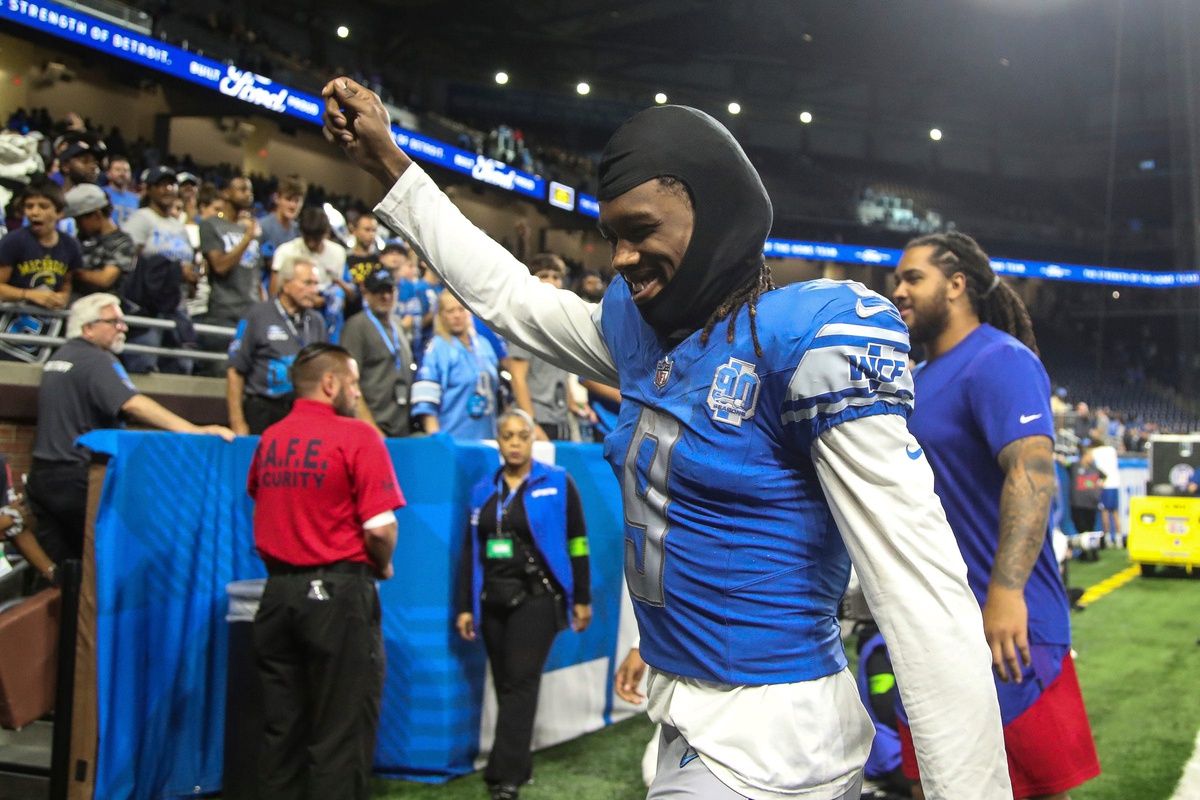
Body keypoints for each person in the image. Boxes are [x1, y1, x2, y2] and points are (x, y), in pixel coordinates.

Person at [325, 77, 1009, 799]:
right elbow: (513, 299)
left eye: (641, 230)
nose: (620, 257)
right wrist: (393, 169)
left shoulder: (805, 339)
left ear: (715, 217)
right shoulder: (643, 335)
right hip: (694, 711)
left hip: (772, 729)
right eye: (612, 235)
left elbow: (922, 590)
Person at [891, 231, 1100, 800]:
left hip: (1006, 624)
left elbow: (1032, 474)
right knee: (930, 789)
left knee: (1027, 789)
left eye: (914, 278)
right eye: (897, 279)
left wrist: (1007, 593)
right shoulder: (913, 380)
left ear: (957, 285)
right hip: (932, 632)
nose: (899, 290)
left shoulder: (999, 359)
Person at [247, 342, 403, 799]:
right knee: (341, 733)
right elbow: (379, 528)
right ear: (331, 384)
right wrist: (385, 564)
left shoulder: (271, 437)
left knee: (281, 733)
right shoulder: (357, 436)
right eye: (353, 383)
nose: (357, 393)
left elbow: (261, 497)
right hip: (337, 595)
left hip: (276, 596)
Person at [26, 293, 233, 563]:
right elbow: (132, 404)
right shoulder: (97, 360)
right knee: (107, 561)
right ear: (88, 328)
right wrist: (192, 429)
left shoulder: (59, 356)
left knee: (65, 572)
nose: (122, 328)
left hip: (42, 477)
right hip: (76, 478)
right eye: (113, 321)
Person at [454, 409, 592, 800]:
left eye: (522, 436)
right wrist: (466, 606)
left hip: (538, 598)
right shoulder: (483, 489)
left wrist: (581, 597)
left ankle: (505, 776)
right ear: (497, 441)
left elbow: (578, 542)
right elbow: (471, 551)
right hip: (493, 598)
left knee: (519, 682)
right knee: (506, 684)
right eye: (507, 436)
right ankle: (520, 764)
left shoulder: (559, 483)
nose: (514, 443)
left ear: (534, 440)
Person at [227, 257, 326, 435]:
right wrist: (237, 422)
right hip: (264, 410)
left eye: (316, 284)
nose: (314, 290)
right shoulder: (257, 315)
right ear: (286, 285)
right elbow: (235, 371)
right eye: (307, 283)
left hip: (302, 413)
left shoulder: (317, 321)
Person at [508, 254, 594, 441]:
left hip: (560, 420)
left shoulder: (559, 324)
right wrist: (531, 423)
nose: (551, 281)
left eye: (556, 276)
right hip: (536, 419)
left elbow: (560, 374)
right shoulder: (525, 321)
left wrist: (575, 405)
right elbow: (517, 377)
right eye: (544, 275)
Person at [122, 166, 196, 374]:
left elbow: (188, 261)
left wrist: (189, 275)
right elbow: (128, 258)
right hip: (149, 306)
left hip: (177, 306)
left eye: (171, 185)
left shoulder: (178, 226)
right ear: (150, 190)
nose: (167, 190)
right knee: (143, 364)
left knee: (181, 365)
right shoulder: (141, 218)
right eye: (161, 185)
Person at [0, 178, 79, 363]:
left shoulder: (70, 245)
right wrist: (29, 294)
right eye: (29, 206)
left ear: (58, 212)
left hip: (47, 327)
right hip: (10, 326)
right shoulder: (13, 241)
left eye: (43, 206)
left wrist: (63, 296)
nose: (35, 212)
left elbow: (67, 282)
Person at [410, 291, 499, 440]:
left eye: (461, 309)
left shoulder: (484, 345)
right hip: (453, 439)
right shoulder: (436, 349)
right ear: (441, 315)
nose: (457, 315)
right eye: (450, 311)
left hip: (488, 439)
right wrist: (439, 441)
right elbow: (426, 404)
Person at [196, 176, 262, 373]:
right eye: (242, 189)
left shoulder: (249, 227)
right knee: (219, 375)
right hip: (223, 313)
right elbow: (220, 266)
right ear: (226, 193)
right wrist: (248, 239)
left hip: (251, 313)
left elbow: (255, 273)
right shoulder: (211, 225)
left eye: (250, 189)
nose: (248, 193)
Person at [340, 268, 414, 437]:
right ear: (366, 294)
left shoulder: (398, 325)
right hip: (373, 428)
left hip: (400, 426)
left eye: (389, 290)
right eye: (378, 292)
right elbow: (348, 382)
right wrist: (372, 430)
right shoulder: (356, 326)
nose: (385, 297)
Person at [270, 208, 352, 340]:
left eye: (316, 238)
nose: (311, 243)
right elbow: (274, 293)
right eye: (307, 238)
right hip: (291, 314)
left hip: (328, 316)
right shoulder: (286, 252)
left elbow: (345, 293)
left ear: (326, 233)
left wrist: (326, 299)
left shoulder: (338, 253)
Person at [64, 183, 135, 299]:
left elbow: (105, 279)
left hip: (104, 305)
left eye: (80, 220)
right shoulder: (80, 238)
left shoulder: (122, 242)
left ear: (97, 214)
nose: (77, 225)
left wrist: (72, 272)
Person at [103, 155, 140, 228]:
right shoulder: (101, 193)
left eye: (126, 170)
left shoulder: (136, 199)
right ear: (108, 173)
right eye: (118, 170)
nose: (122, 174)